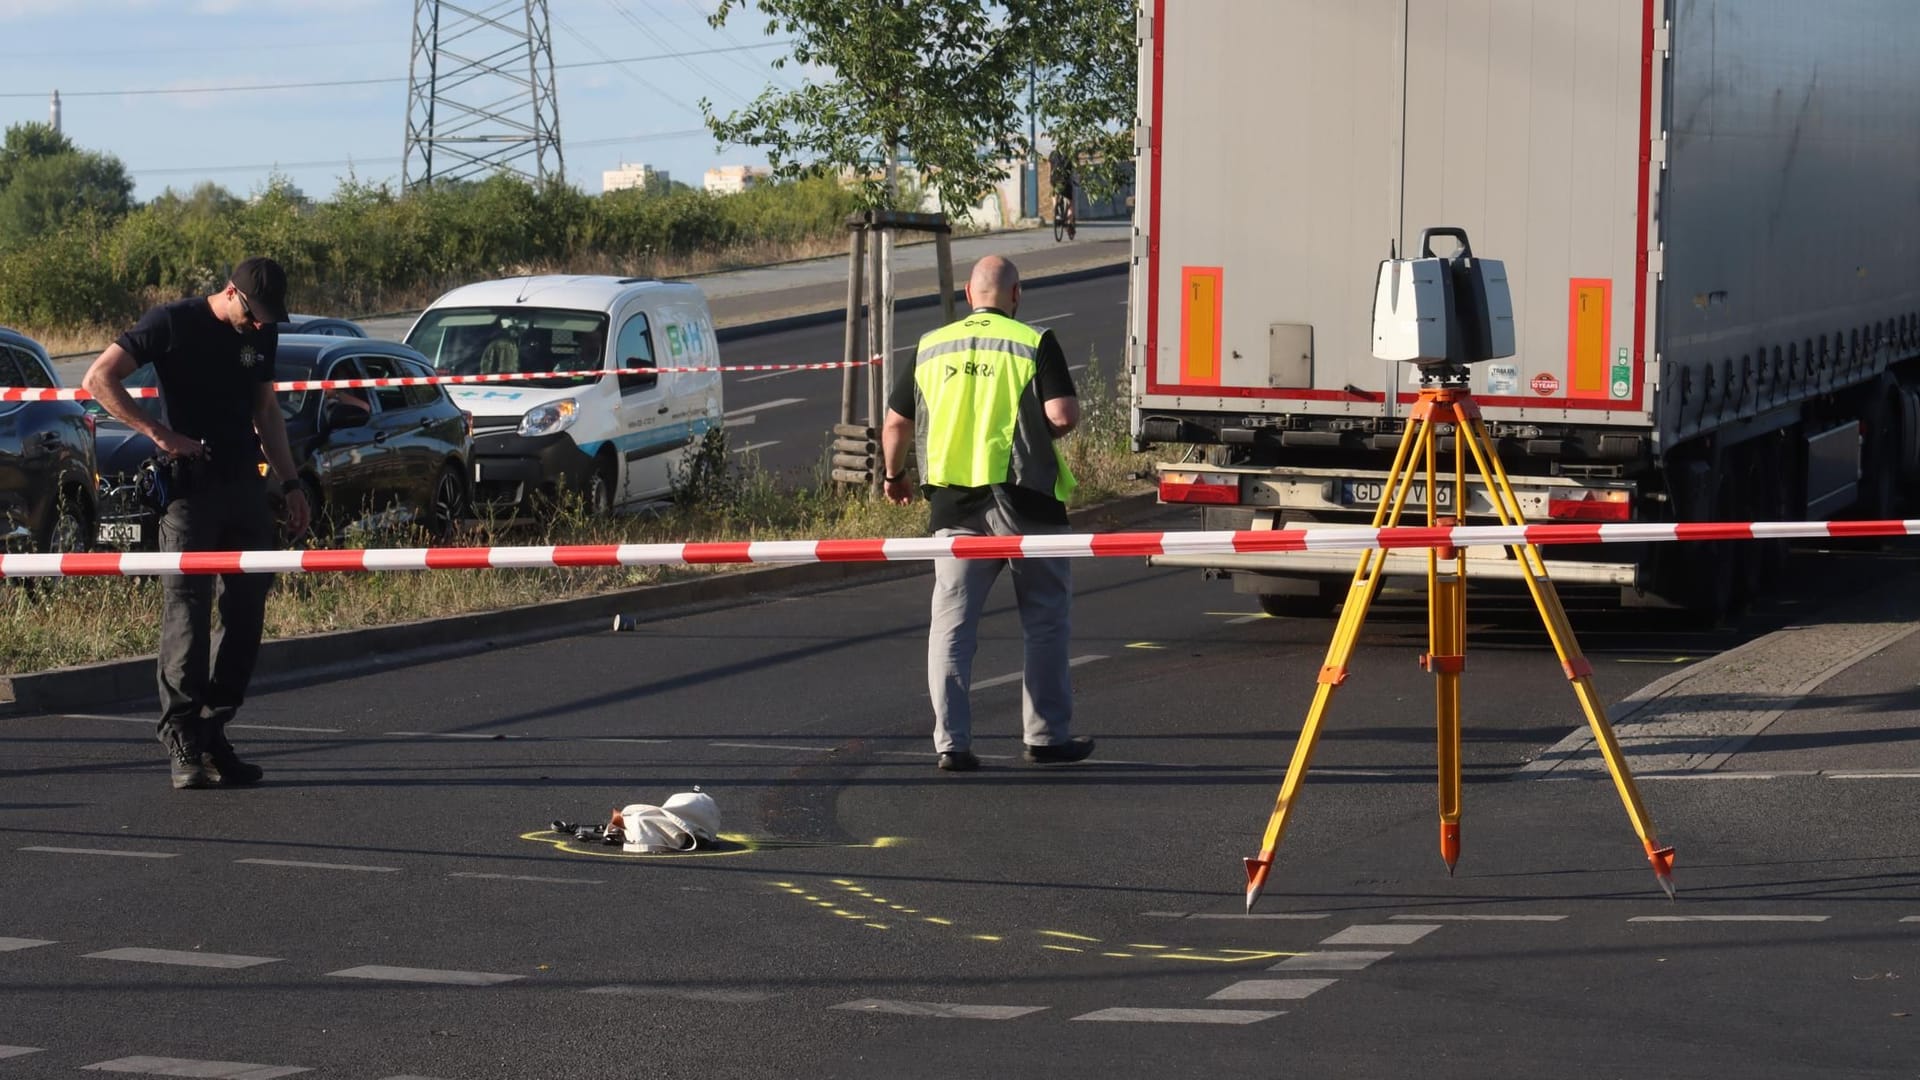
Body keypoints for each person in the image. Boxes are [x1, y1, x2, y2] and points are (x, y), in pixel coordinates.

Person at [82, 257, 311, 791]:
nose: (260, 327)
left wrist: (291, 483)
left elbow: (266, 412)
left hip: (245, 488)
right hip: (189, 492)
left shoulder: (262, 331)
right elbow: (98, 378)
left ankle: (213, 729)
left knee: (248, 611)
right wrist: (160, 434)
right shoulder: (172, 321)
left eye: (268, 321)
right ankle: (182, 737)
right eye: (254, 316)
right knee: (187, 610)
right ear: (231, 293)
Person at [881, 256, 1094, 772]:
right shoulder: (1032, 341)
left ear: (968, 294)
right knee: (1044, 620)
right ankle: (1045, 737)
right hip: (1026, 501)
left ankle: (951, 744)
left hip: (954, 506)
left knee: (951, 625)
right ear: (1015, 294)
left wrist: (894, 477)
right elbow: (1061, 415)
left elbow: (894, 426)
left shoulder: (930, 346)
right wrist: (1044, 433)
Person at [1047, 148, 1077, 236]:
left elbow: (1049, 166)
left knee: (1054, 194)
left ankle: (1056, 209)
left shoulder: (1053, 153)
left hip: (1054, 179)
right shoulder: (1070, 154)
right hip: (1065, 181)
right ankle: (1069, 223)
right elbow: (1073, 170)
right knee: (1070, 201)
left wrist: (1050, 178)